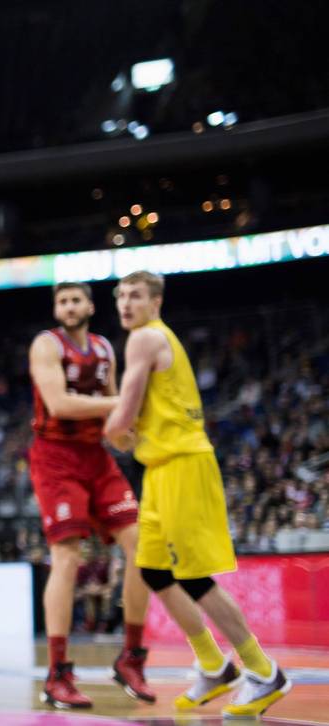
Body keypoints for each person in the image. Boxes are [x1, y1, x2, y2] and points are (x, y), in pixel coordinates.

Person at [104, 271, 292, 718]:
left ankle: (263, 671)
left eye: (136, 296)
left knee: (192, 577)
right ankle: (213, 663)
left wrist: (110, 430)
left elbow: (120, 419)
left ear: (156, 302)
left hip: (183, 465)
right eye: (121, 296)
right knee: (153, 572)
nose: (126, 303)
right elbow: (130, 422)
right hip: (159, 469)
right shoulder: (149, 339)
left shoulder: (145, 339)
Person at [28, 280, 154, 708]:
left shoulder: (104, 349)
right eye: (61, 301)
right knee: (67, 556)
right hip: (56, 458)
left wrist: (132, 432)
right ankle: (57, 672)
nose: (68, 306)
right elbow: (61, 404)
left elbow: (114, 425)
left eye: (75, 299)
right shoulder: (46, 345)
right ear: (55, 309)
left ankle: (131, 658)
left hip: (95, 456)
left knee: (143, 546)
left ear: (89, 305)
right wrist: (124, 402)